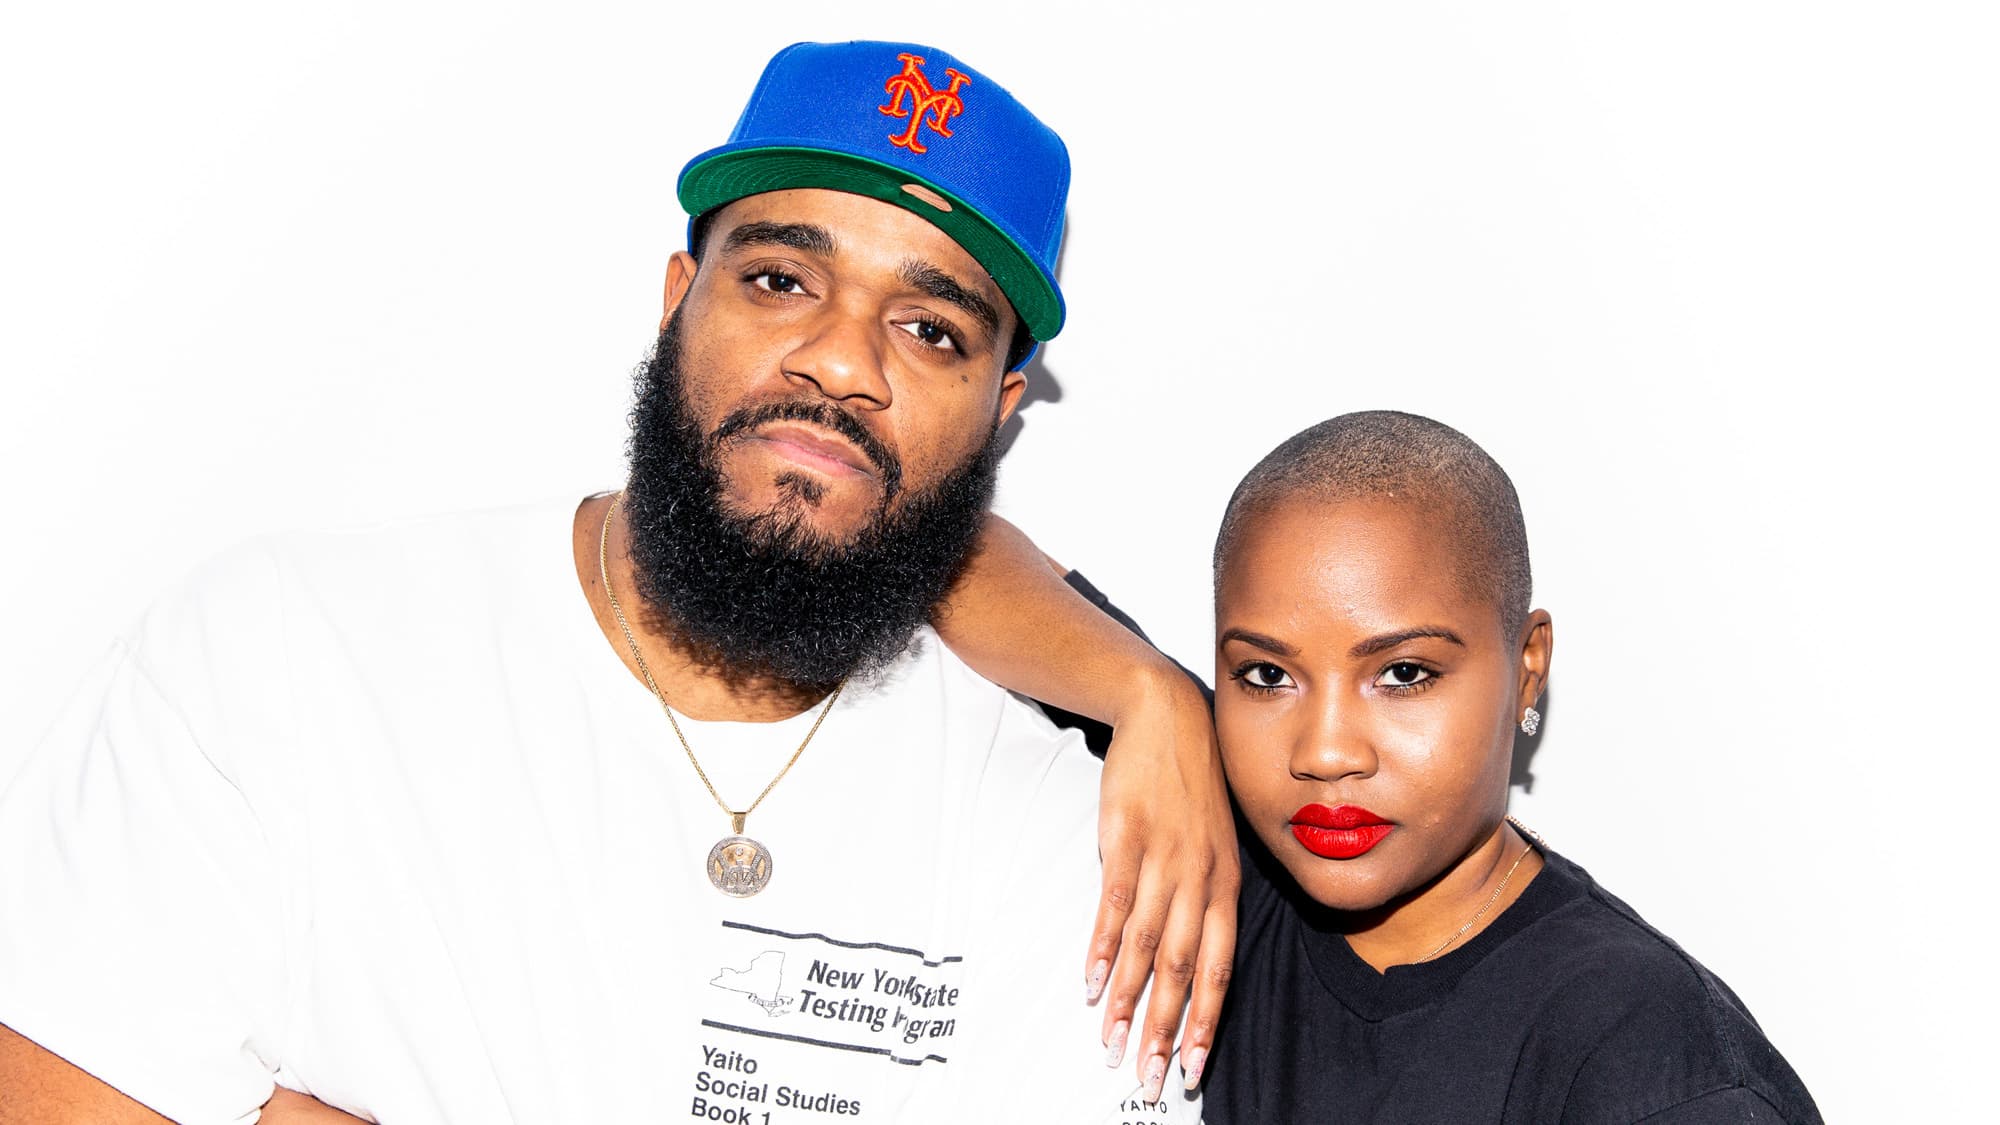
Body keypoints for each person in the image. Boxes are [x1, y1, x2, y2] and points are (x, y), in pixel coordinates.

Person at [0, 40, 1234, 1123]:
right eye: (781, 280)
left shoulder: (1075, 847)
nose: (838, 361)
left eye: (930, 331)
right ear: (677, 300)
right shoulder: (273, 661)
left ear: (1000, 408)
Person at [1193, 411, 1822, 1122]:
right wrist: (1146, 692)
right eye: (1267, 675)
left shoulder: (1653, 1068)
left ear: (1528, 669)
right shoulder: (1218, 872)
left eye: (1403, 673)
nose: (1326, 752)